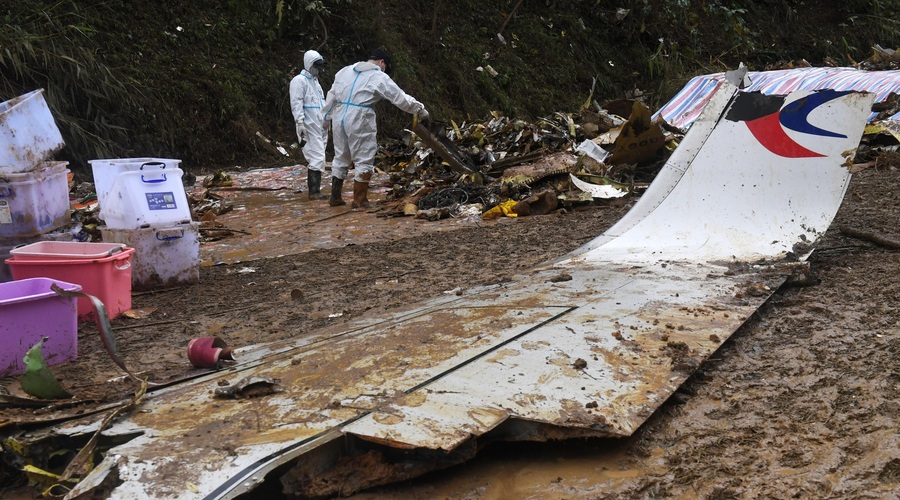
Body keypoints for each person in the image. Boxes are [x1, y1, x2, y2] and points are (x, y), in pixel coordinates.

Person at [322, 48, 429, 208]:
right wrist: (419, 109)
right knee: (364, 157)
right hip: (360, 115)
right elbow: (399, 98)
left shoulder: (344, 71)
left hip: (339, 115)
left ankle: (335, 197)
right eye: (385, 66)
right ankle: (360, 200)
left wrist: (326, 118)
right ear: (381, 62)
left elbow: (331, 95)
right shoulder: (378, 76)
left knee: (341, 156)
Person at [289, 49, 328, 199]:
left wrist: (326, 120)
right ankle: (314, 192)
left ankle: (315, 190)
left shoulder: (316, 83)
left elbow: (322, 102)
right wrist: (299, 122)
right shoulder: (299, 81)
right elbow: (296, 103)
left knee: (319, 156)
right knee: (316, 157)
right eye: (316, 66)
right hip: (308, 124)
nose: (318, 69)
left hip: (319, 125)